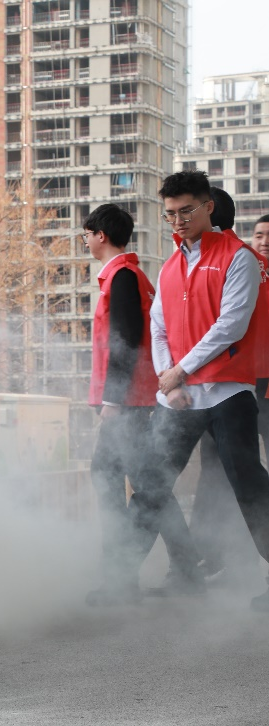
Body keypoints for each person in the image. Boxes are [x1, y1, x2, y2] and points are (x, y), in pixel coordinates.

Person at [141, 169, 269, 609]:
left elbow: (229, 327)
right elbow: (158, 326)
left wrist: (181, 371)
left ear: (208, 207)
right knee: (149, 483)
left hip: (229, 394)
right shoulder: (171, 263)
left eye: (185, 211)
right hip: (178, 398)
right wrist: (168, 381)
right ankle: (120, 575)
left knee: (249, 485)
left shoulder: (240, 258)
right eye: (170, 213)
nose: (176, 220)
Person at [187, 189, 269, 584]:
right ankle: (222, 557)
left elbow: (229, 326)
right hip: (228, 383)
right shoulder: (232, 264)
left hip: (249, 384)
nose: (264, 242)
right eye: (260, 235)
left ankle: (237, 559)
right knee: (221, 473)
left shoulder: (240, 264)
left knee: (245, 476)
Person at [78, 204, 158, 606]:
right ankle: (128, 575)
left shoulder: (123, 277)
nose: (86, 241)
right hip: (134, 401)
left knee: (116, 481)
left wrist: (112, 399)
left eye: (87, 234)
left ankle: (120, 576)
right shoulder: (129, 276)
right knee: (147, 487)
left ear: (101, 235)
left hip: (128, 403)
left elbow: (127, 341)